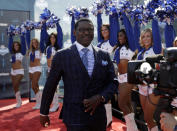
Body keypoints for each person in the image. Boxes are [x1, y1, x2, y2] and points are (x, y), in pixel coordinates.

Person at [40, 18, 118, 131]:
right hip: (74, 116)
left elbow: (113, 82)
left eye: (90, 29)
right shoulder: (61, 55)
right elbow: (50, 85)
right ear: (74, 32)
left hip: (98, 117)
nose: (86, 32)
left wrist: (101, 97)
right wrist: (44, 112)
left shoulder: (104, 55)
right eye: (82, 30)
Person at [137, 28, 162, 131]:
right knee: (147, 118)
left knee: (148, 117)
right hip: (141, 87)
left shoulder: (156, 49)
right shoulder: (140, 53)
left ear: (152, 38)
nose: (146, 39)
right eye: (143, 37)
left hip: (153, 87)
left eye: (148, 36)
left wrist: (156, 17)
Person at [113, 29, 137, 131]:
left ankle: (131, 127)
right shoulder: (118, 49)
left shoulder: (130, 47)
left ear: (126, 37)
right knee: (126, 103)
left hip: (128, 77)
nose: (119, 38)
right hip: (120, 77)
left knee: (121, 103)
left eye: (121, 35)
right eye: (118, 36)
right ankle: (132, 127)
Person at [9, 41, 25, 108]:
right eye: (14, 45)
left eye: (17, 45)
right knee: (15, 87)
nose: (16, 46)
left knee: (16, 84)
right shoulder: (12, 54)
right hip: (13, 71)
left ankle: (19, 101)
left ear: (19, 46)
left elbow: (23, 44)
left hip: (20, 71)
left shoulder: (21, 53)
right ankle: (19, 101)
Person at [29, 38, 42, 109]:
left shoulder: (40, 50)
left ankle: (40, 100)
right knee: (36, 86)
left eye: (35, 42)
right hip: (30, 69)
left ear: (37, 43)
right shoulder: (31, 51)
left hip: (37, 68)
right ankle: (39, 102)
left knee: (33, 86)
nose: (34, 44)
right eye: (33, 42)